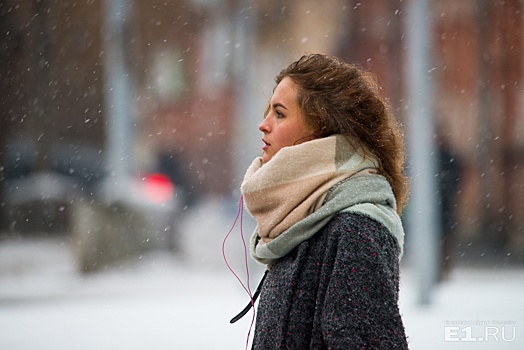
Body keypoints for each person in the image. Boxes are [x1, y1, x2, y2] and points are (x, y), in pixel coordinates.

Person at [237, 53, 410, 349]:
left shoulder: (356, 229)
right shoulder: (297, 219)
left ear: (320, 130)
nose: (263, 125)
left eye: (279, 113)